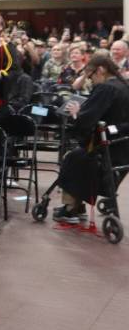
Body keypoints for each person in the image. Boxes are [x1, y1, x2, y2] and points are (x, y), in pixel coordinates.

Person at [52, 54, 129, 223]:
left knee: (71, 158)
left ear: (100, 70)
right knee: (79, 156)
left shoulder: (105, 88)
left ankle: (71, 209)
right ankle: (77, 207)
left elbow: (86, 121)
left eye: (91, 75)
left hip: (106, 148)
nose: (91, 80)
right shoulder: (124, 86)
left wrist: (75, 114)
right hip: (122, 147)